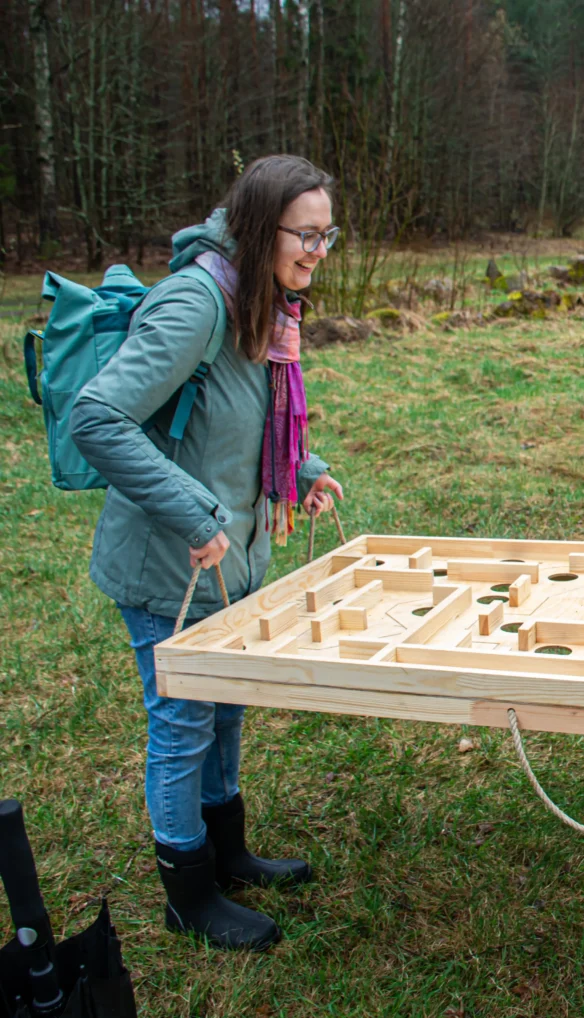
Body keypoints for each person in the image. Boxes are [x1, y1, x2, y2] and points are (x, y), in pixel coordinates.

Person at [70, 154, 345, 951]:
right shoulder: (197, 302)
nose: (317, 252)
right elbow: (99, 420)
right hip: (171, 565)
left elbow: (242, 418)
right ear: (263, 227)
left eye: (329, 236)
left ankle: (229, 855)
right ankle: (187, 891)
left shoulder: (265, 300)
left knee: (226, 707)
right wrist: (197, 512)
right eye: (306, 235)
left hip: (232, 556)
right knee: (183, 721)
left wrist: (304, 469)